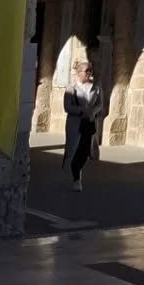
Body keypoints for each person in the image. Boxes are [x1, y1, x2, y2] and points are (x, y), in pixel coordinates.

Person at [63, 59, 103, 192]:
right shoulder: (71, 88)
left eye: (90, 70)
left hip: (89, 123)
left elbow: (100, 104)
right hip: (76, 123)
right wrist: (80, 110)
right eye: (86, 71)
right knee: (74, 150)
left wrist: (93, 112)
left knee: (85, 151)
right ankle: (76, 179)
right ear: (79, 72)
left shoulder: (96, 87)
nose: (88, 73)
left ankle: (78, 171)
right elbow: (67, 107)